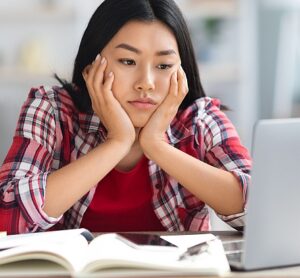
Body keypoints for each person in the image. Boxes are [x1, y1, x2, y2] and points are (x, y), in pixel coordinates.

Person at [0, 0, 251, 235]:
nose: (146, 83)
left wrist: (157, 146)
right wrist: (117, 142)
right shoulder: (52, 109)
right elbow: (5, 215)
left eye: (163, 66)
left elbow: (261, 210)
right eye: (128, 61)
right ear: (91, 69)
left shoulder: (198, 119)